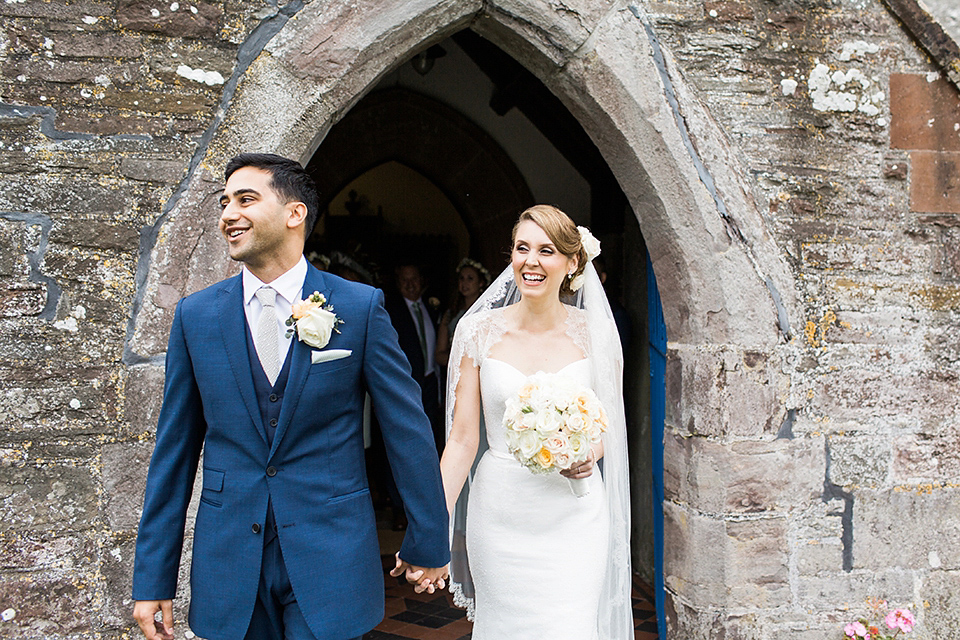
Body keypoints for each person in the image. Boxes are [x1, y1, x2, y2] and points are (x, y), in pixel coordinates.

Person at [131, 153, 449, 640]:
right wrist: (154, 576)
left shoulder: (359, 309)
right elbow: (173, 452)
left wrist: (428, 537)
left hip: (331, 553)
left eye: (246, 199)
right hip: (230, 559)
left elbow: (406, 429)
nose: (228, 214)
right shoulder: (196, 317)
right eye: (224, 203)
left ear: (294, 213)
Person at [439, 205, 632, 639]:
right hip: (501, 514)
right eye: (522, 248)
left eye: (546, 251)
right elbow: (463, 441)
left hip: (574, 513)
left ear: (572, 263)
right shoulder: (477, 332)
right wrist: (432, 518)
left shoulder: (597, 335)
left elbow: (609, 428)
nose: (531, 261)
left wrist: (588, 453)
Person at [386, 264, 443, 454]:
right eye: (404, 280)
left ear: (422, 280)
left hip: (430, 384)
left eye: (414, 279)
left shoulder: (432, 306)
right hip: (407, 387)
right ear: (398, 282)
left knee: (432, 435)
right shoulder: (390, 311)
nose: (410, 285)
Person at [434, 258, 490, 369]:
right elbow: (439, 354)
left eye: (470, 279)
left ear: (481, 283)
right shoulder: (451, 313)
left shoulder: (488, 312)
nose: (464, 283)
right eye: (461, 278)